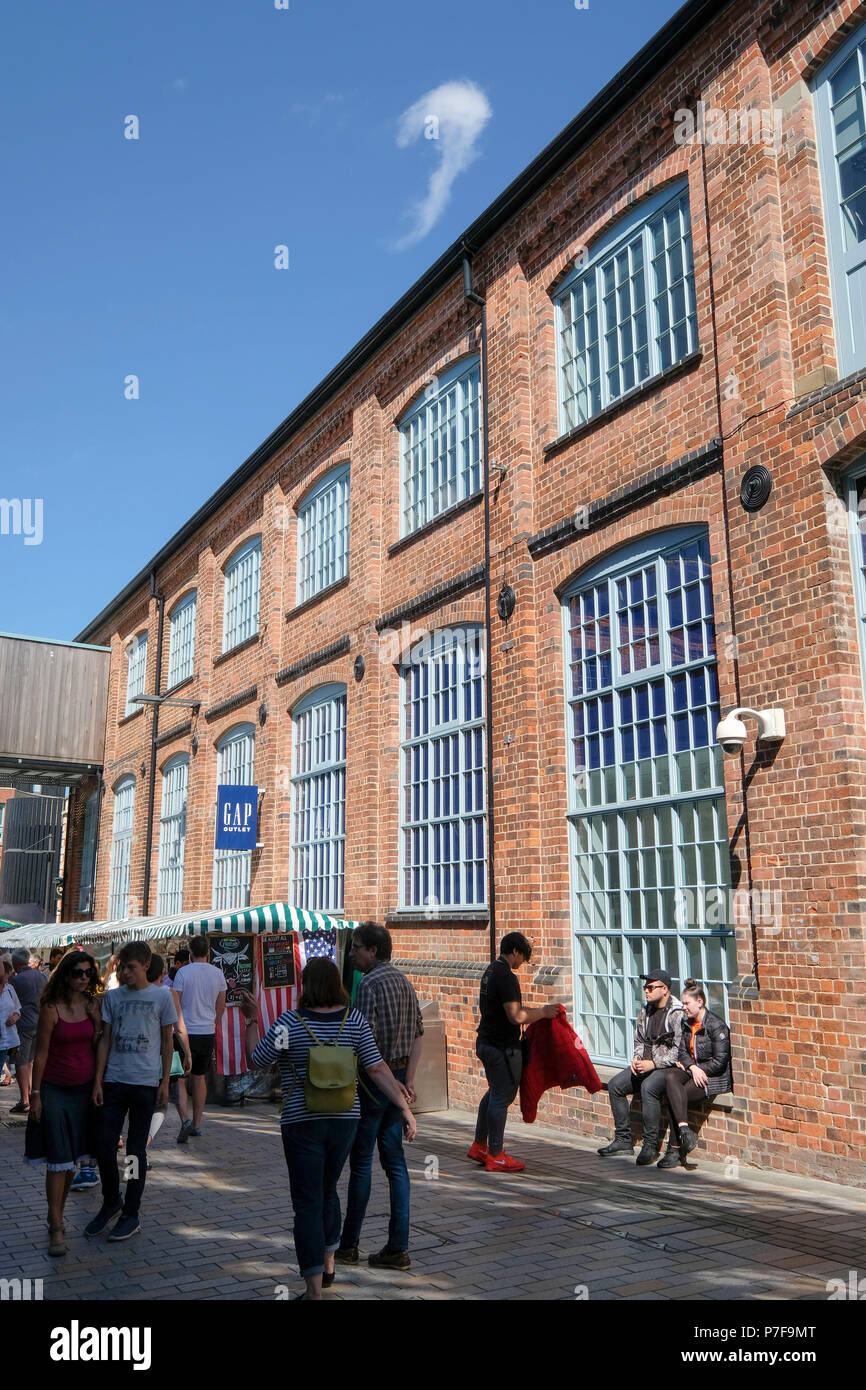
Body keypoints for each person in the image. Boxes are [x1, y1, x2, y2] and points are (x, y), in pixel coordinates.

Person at [240, 957, 417, 1301]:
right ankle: (330, 1262)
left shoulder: (290, 1023)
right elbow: (379, 1069)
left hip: (301, 1122)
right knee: (328, 1190)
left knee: (307, 1203)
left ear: (308, 986)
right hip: (344, 1121)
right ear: (336, 984)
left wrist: (251, 1020)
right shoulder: (354, 1021)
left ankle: (313, 1290)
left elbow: (255, 1060)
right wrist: (405, 1109)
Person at [336, 922, 423, 1271]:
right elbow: (419, 1032)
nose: (352, 952)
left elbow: (363, 1043)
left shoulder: (368, 984)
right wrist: (408, 1081)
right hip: (398, 1076)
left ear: (373, 950)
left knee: (361, 1164)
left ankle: (349, 1244)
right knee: (396, 1164)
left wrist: (387, 1079)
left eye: (356, 947)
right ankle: (398, 1246)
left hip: (375, 1081)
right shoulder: (404, 981)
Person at [85, 940, 177, 1242]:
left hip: (145, 1084)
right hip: (114, 1081)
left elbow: (167, 1042)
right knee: (104, 1146)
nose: (125, 973)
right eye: (122, 967)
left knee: (136, 1153)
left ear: (145, 966)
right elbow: (106, 1040)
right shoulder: (113, 998)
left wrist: (164, 1082)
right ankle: (112, 1200)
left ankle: (131, 1212)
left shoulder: (162, 996)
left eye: (131, 967)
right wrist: (98, 1080)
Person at [28, 950, 102, 1255]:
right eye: (77, 973)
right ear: (65, 974)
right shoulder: (50, 1007)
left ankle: (55, 1212)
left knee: (73, 1158)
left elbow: (98, 1047)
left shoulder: (91, 1005)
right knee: (58, 1158)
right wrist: (34, 1095)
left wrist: (98, 1025)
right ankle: (57, 1225)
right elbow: (41, 1053)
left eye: (87, 973)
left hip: (83, 1090)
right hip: (54, 1089)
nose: (83, 978)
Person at [470, 932, 559, 1173]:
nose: (522, 964)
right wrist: (543, 1012)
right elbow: (516, 1016)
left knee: (492, 1094)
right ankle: (496, 1154)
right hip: (502, 1048)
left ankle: (480, 1145)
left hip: (486, 1041)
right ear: (516, 951)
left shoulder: (490, 971)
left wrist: (536, 1011)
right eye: (523, 958)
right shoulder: (506, 976)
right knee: (501, 1098)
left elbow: (511, 1009)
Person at [597, 969, 684, 1165]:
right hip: (644, 1063)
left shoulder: (677, 1013)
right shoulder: (646, 1010)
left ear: (665, 989)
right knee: (615, 1085)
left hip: (667, 1068)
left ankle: (650, 1146)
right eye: (645, 987)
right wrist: (636, 1057)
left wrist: (653, 1064)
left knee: (648, 1087)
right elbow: (639, 1039)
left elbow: (679, 1050)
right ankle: (623, 1141)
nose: (646, 991)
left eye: (651, 987)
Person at [658, 980, 733, 1169]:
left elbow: (720, 1062)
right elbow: (682, 1051)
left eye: (686, 1004)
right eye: (682, 1003)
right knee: (670, 1078)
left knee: (677, 1095)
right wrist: (692, 1067)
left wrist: (699, 1069)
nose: (683, 1008)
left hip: (712, 1077)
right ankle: (684, 1131)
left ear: (699, 1002)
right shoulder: (686, 1023)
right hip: (694, 1070)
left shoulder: (716, 1026)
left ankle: (675, 1150)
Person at [171, 937, 226, 1141]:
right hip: (206, 1031)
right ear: (208, 953)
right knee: (200, 1077)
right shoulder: (218, 973)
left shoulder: (183, 972)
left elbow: (175, 1003)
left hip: (185, 1031)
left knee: (180, 1078)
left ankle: (184, 1118)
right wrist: (214, 1022)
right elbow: (221, 1005)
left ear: (190, 953)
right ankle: (196, 1123)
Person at [144, 953, 192, 1148]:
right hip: (163, 1051)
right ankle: (144, 1143)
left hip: (141, 1053)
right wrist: (187, 1053)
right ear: (162, 972)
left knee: (143, 1102)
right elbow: (179, 1026)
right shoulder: (169, 993)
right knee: (161, 1102)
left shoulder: (136, 992)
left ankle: (139, 1145)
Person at [9, 947, 46, 1114]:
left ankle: (24, 1100)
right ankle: (31, 1094)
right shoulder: (41, 976)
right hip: (40, 1023)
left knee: (21, 1062)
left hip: (23, 1025)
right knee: (30, 1061)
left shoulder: (15, 981)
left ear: (15, 963)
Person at [0, 958, 22, 1096]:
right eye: (8, 974)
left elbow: (18, 1009)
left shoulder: (9, 989)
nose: (10, 976)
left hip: (5, 1040)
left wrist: (15, 1017)